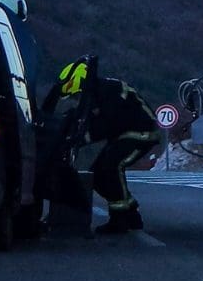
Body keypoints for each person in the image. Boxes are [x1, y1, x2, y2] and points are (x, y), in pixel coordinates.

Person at [54, 59, 161, 234]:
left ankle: (120, 219)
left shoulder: (106, 91)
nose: (76, 99)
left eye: (75, 95)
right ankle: (130, 214)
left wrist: (83, 139)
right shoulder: (98, 92)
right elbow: (94, 120)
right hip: (126, 134)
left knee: (111, 167)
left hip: (141, 132)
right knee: (97, 174)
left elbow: (108, 123)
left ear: (79, 82)